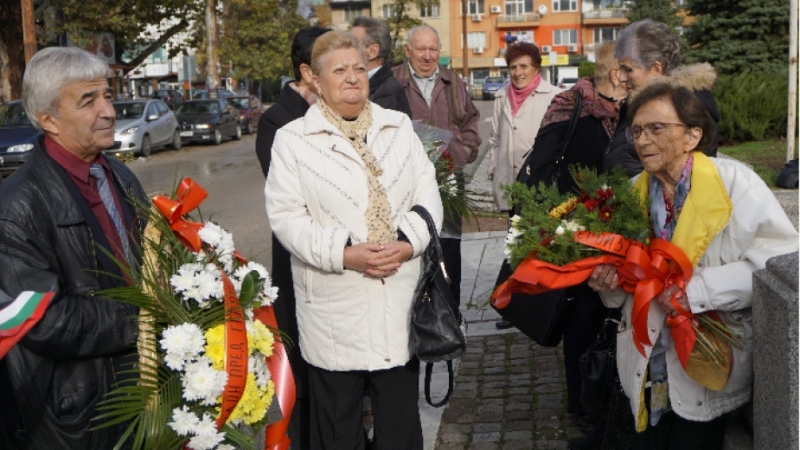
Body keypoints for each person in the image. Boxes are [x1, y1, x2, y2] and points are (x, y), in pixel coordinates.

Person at [588, 82, 798, 450]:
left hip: (707, 357)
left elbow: (779, 262)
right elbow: (623, 287)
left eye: (657, 128)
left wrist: (697, 291)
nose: (642, 140)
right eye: (636, 130)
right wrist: (609, 282)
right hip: (646, 359)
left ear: (692, 135)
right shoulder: (634, 190)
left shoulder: (735, 183)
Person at [265, 31, 442, 450]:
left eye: (359, 68)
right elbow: (287, 218)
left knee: (400, 423)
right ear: (313, 78)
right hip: (333, 304)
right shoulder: (293, 140)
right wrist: (343, 254)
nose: (352, 78)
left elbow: (427, 193)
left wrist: (408, 243)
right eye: (339, 70)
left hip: (397, 296)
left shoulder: (397, 127)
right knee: (338, 427)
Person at [0, 47, 148, 448]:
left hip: (143, 387)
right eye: (88, 100)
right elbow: (43, 321)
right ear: (48, 119)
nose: (109, 110)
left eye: (108, 95)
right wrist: (146, 319)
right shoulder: (17, 207)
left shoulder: (116, 172)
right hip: (82, 414)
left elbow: (150, 256)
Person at [254, 25, 329, 450]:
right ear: (307, 71)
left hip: (342, 262)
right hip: (300, 260)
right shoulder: (276, 120)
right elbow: (293, 198)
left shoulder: (339, 109)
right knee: (302, 363)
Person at [392, 24, 481, 306]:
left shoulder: (454, 82)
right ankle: (415, 320)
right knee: (411, 248)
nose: (427, 56)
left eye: (433, 49)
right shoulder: (393, 82)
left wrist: (462, 151)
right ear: (407, 50)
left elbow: (471, 125)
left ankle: (449, 321)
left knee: (448, 252)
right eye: (421, 49)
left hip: (449, 181)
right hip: (406, 184)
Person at [487, 41, 562, 330]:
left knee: (541, 244)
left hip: (539, 184)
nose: (518, 72)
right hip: (510, 183)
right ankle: (514, 308)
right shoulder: (500, 98)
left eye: (523, 67)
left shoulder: (554, 96)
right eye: (513, 67)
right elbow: (494, 140)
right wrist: (495, 170)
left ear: (536, 68)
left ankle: (542, 306)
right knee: (515, 245)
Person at [605, 19, 721, 177]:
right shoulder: (639, 104)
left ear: (655, 69)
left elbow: (683, 180)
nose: (622, 78)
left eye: (628, 70)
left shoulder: (686, 109)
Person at [350, 17, 411, 116]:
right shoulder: (368, 84)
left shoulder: (386, 93)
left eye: (352, 44)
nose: (344, 50)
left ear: (372, 52)